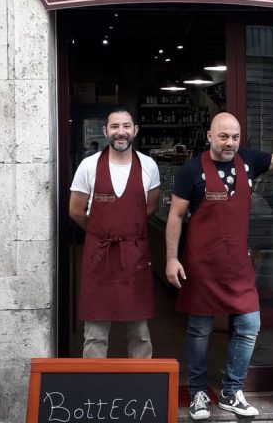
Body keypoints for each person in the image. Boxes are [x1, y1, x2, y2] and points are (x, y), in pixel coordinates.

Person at [165, 112, 273, 420]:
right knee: (199, 330)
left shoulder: (249, 161)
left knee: (250, 326)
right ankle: (199, 392)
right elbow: (175, 216)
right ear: (209, 136)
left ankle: (231, 391)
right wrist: (171, 258)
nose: (230, 143)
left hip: (237, 266)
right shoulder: (190, 171)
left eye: (235, 137)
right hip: (201, 265)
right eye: (223, 136)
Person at [69, 108, 161, 359]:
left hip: (135, 258)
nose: (121, 132)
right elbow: (76, 210)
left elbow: (151, 207)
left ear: (135, 130)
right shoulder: (88, 166)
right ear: (105, 131)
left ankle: (142, 391)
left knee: (140, 331)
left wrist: (127, 233)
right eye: (114, 127)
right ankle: (93, 389)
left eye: (126, 126)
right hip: (100, 257)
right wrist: (101, 233)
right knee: (95, 333)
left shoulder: (149, 166)